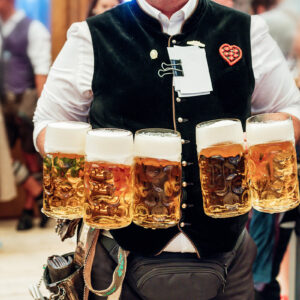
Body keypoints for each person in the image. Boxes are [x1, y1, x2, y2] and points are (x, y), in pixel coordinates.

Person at [33, 0, 300, 299]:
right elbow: (48, 123)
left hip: (228, 252)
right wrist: (99, 158)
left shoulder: (246, 30)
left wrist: (258, 140)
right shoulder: (91, 36)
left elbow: (289, 109)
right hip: (121, 255)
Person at [0, 0, 51, 230]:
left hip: (27, 101)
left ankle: (29, 209)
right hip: (3, 102)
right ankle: (35, 190)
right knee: (5, 157)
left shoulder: (34, 28)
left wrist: (45, 111)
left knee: (31, 157)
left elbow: (42, 72)